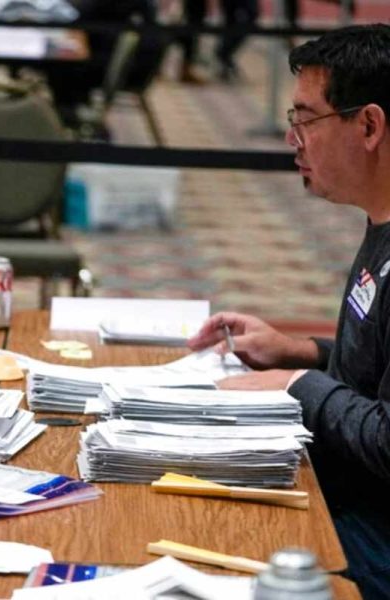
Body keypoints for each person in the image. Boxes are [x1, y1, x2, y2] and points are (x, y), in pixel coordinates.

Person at [187, 24, 390, 600]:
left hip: (375, 534)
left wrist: (298, 384)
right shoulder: (380, 223)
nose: (292, 139)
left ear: (369, 126)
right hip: (351, 496)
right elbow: (374, 376)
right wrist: (298, 353)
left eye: (306, 120)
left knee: (210, 538)